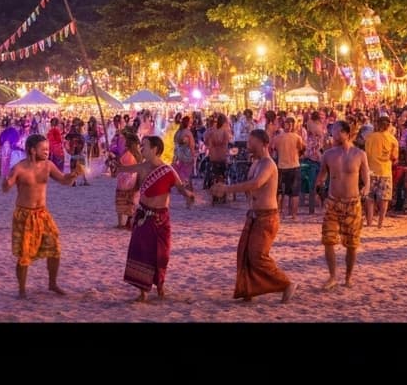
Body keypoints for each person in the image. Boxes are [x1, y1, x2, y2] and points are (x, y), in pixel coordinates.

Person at [212, 128, 294, 302]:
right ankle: (248, 291)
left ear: (263, 143)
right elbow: (251, 188)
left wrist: (227, 189)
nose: (248, 145)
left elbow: (256, 183)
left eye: (251, 142)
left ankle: (286, 284)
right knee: (244, 253)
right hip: (254, 215)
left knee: (258, 255)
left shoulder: (268, 164)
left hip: (267, 216)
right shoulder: (256, 163)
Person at [115, 134, 196, 302]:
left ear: (155, 149)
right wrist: (116, 165)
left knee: (162, 254)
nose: (141, 149)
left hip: (161, 218)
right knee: (141, 252)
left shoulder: (168, 170)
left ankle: (160, 286)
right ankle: (143, 291)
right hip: (144, 215)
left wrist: (188, 194)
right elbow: (123, 169)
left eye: (144, 146)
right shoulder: (143, 167)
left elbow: (180, 187)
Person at [2, 133, 77, 299]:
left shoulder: (48, 165)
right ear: (32, 150)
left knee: (55, 248)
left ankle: (52, 283)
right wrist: (6, 182)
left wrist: (72, 176)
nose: (47, 152)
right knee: (24, 254)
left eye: (48, 149)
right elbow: (6, 187)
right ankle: (21, 289)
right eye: (43, 149)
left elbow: (64, 180)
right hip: (24, 215)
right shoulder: (19, 168)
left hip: (42, 213)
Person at [318, 121, 370, 290]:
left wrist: (366, 188)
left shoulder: (359, 154)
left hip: (352, 202)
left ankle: (348, 277)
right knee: (328, 240)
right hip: (333, 202)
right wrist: (320, 193)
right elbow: (321, 177)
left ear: (346, 133)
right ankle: (332, 276)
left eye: (335, 132)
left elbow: (366, 177)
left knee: (352, 244)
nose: (332, 135)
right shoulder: (328, 154)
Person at [363, 115, 399, 228]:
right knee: (384, 199)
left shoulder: (370, 137)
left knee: (370, 198)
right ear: (389, 126)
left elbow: (366, 154)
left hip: (371, 171)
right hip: (385, 171)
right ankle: (380, 223)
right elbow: (394, 157)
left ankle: (369, 222)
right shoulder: (393, 139)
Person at [114, 133, 140, 227]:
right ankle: (125, 222)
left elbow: (122, 166)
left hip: (128, 179)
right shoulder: (135, 154)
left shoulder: (132, 154)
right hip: (128, 179)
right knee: (128, 200)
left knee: (125, 200)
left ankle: (123, 223)